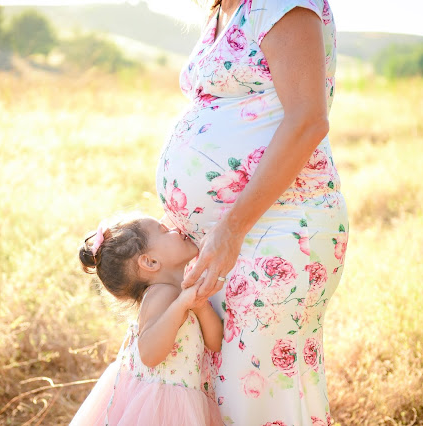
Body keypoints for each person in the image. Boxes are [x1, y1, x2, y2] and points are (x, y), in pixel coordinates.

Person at [155, 0, 348, 424]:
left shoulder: (283, 5)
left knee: (262, 400)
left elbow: (308, 120)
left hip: (277, 228)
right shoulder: (225, 9)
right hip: (221, 237)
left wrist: (231, 229)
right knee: (225, 390)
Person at [70, 215, 224, 426]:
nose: (175, 228)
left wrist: (200, 305)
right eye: (164, 230)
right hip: (163, 406)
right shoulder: (161, 294)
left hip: (184, 398)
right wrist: (181, 305)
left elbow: (215, 343)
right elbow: (150, 354)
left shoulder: (179, 292)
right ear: (150, 262)